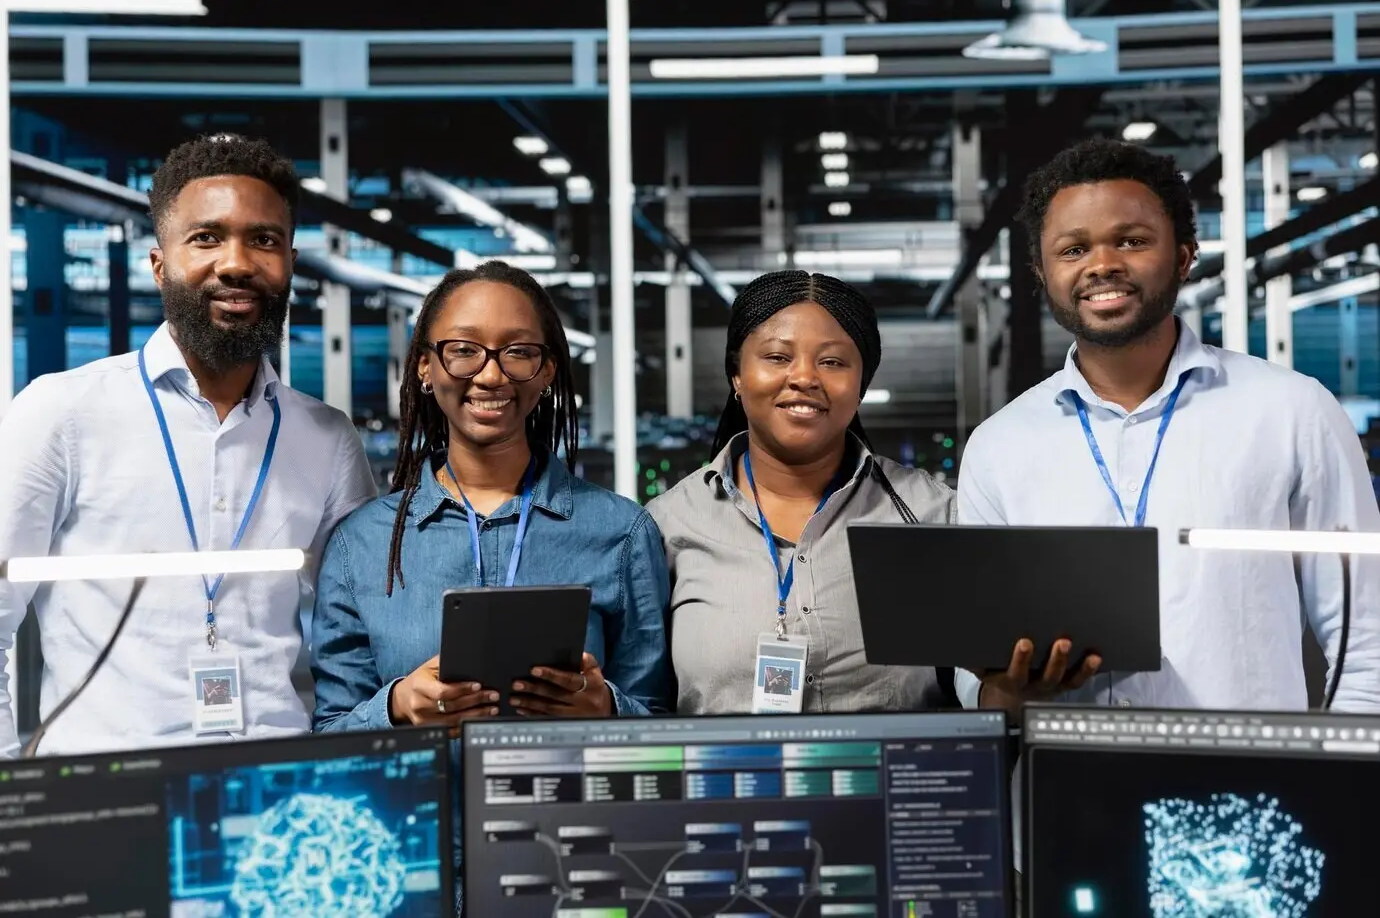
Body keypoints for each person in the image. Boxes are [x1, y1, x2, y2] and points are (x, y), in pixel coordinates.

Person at [955, 137, 1380, 716]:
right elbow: (973, 659)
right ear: (1042, 272)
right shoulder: (1000, 446)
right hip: (1070, 784)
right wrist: (1005, 689)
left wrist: (1332, 772)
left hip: (1243, 781)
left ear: (1183, 256)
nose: (1101, 264)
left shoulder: (1291, 412)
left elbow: (1365, 638)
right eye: (1073, 249)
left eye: (1131, 241)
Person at [0, 134, 377, 758]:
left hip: (278, 788)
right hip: (110, 794)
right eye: (206, 238)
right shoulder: (63, 413)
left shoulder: (327, 439)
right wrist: (14, 791)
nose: (236, 263)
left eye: (264, 240)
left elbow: (360, 634)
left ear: (289, 261)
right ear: (159, 265)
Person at [310, 259, 670, 728]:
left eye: (518, 351)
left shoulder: (621, 533)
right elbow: (330, 731)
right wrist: (395, 708)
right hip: (426, 800)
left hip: (563, 799)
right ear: (424, 365)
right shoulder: (361, 544)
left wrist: (606, 708)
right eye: (464, 349)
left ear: (546, 372)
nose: (490, 375)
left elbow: (660, 720)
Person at [647, 270, 956, 715]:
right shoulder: (667, 525)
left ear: (861, 382)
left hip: (891, 781)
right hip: (728, 782)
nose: (804, 377)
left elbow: (974, 688)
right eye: (776, 357)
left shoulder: (931, 514)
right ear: (737, 374)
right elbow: (645, 704)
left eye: (832, 362)